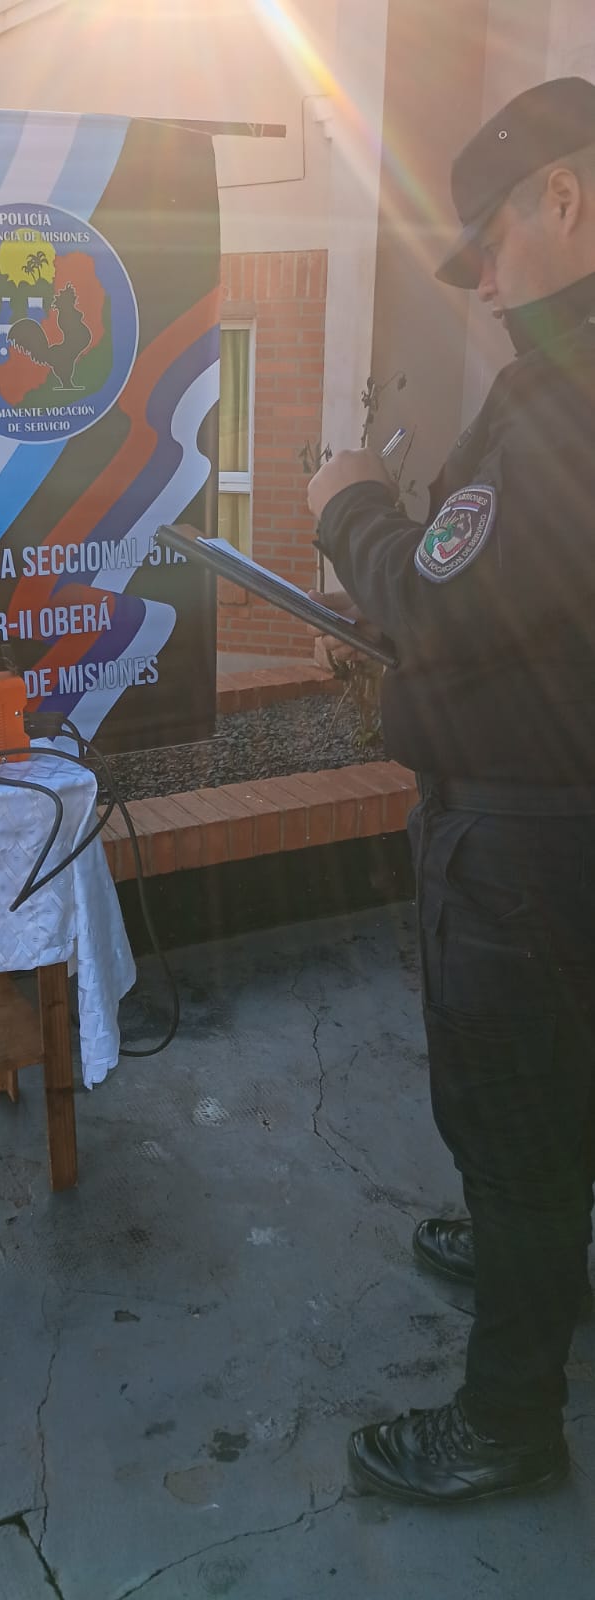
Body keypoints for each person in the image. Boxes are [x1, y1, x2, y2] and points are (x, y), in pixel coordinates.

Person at [306, 76, 595, 1506]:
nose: (481, 282)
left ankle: (507, 1424)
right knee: (558, 1107)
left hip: (531, 849)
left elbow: (443, 596)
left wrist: (348, 506)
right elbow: (510, 592)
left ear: (566, 197)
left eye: (489, 242)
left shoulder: (568, 394)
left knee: (516, 1119)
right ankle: (534, 1252)